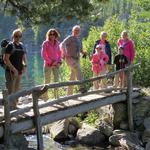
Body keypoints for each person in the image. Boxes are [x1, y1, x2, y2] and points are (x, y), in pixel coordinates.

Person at [3, 28, 27, 109]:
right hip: (10, 72)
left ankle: (15, 105)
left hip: (19, 72)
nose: (18, 38)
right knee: (10, 89)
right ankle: (10, 108)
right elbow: (5, 59)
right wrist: (13, 69)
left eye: (20, 36)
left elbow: (23, 58)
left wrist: (24, 66)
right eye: (16, 36)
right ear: (13, 36)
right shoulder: (10, 46)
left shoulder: (21, 46)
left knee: (17, 89)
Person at [60, 25, 87, 95]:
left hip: (77, 59)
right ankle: (81, 87)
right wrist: (65, 53)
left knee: (73, 75)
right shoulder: (70, 38)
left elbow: (80, 50)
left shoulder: (79, 40)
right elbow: (62, 44)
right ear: (72, 31)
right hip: (70, 58)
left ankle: (69, 94)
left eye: (78, 30)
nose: (76, 32)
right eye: (75, 30)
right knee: (77, 69)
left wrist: (84, 52)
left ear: (79, 32)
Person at [41, 28, 61, 100]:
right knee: (47, 81)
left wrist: (59, 62)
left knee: (56, 80)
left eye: (53, 34)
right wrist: (51, 62)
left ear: (56, 35)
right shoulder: (45, 43)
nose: (52, 36)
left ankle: (56, 97)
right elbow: (44, 55)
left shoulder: (57, 43)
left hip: (56, 65)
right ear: (48, 35)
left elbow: (59, 53)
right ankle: (45, 98)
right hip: (48, 65)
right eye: (50, 34)